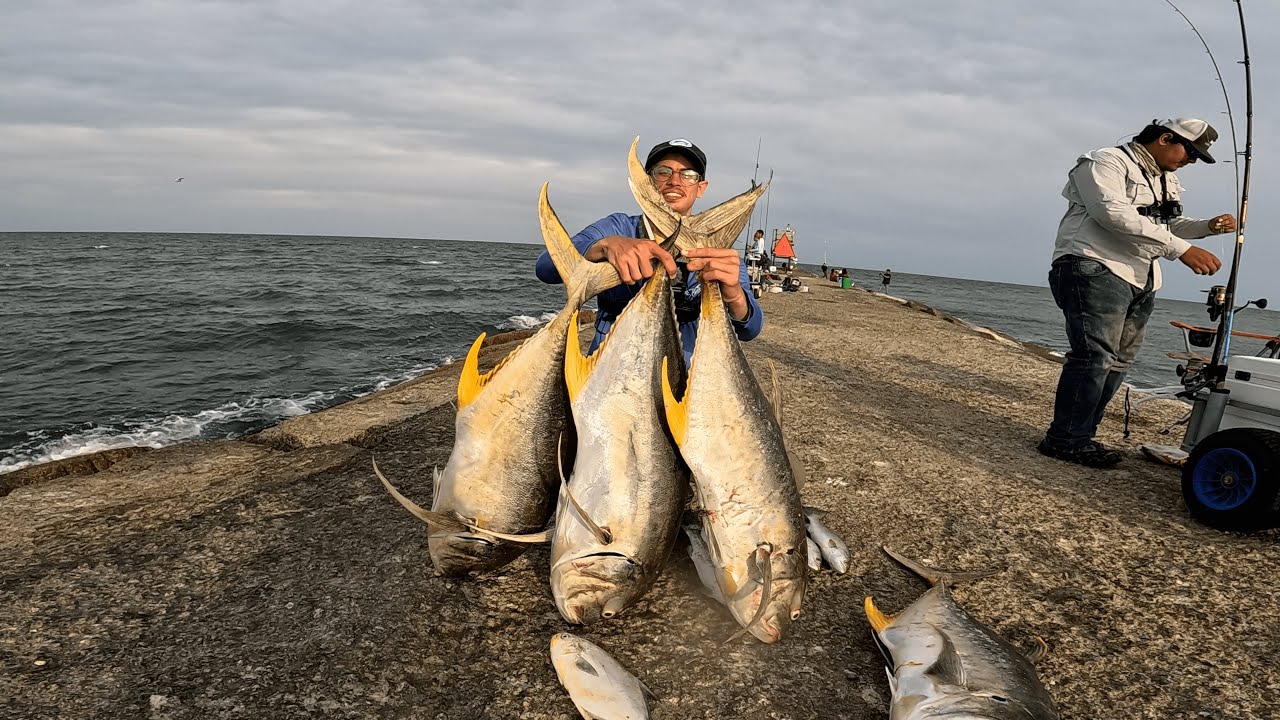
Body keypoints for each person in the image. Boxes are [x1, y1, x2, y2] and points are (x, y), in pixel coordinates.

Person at [1039, 118, 1236, 468]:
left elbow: (1168, 225)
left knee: (1119, 361)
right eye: (1190, 153)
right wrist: (1182, 250)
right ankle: (1065, 439)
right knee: (1094, 356)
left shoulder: (1166, 179)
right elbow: (1111, 213)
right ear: (1165, 138)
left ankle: (1081, 434)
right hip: (1094, 265)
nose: (1190, 161)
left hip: (1141, 277)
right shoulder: (1105, 161)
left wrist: (1206, 227)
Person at [534, 138, 764, 366]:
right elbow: (545, 267)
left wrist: (734, 295)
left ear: (700, 187)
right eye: (663, 172)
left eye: (688, 175)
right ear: (647, 182)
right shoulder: (618, 228)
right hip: (607, 368)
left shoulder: (717, 249)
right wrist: (602, 247)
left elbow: (750, 329)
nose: (675, 181)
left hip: (688, 377)